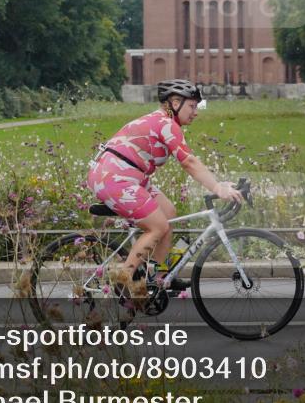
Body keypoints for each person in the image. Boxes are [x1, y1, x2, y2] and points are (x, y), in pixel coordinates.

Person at [87, 79, 244, 302]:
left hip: (130, 176)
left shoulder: (166, 122)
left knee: (168, 213)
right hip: (114, 177)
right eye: (192, 106)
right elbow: (188, 162)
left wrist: (220, 184)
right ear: (175, 102)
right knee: (157, 226)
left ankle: (159, 277)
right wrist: (217, 187)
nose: (196, 112)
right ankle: (123, 278)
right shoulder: (166, 123)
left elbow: (190, 162)